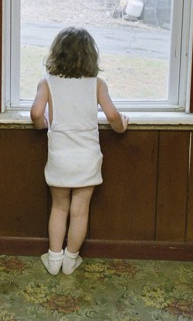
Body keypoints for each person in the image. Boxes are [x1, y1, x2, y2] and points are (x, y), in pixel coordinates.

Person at [30, 26, 128, 275]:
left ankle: (53, 260)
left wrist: (43, 125)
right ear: (89, 56)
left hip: (60, 156)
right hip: (87, 157)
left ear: (57, 54)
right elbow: (113, 115)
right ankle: (70, 260)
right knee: (80, 210)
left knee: (59, 207)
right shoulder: (97, 84)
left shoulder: (47, 83)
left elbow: (36, 113)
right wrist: (120, 127)